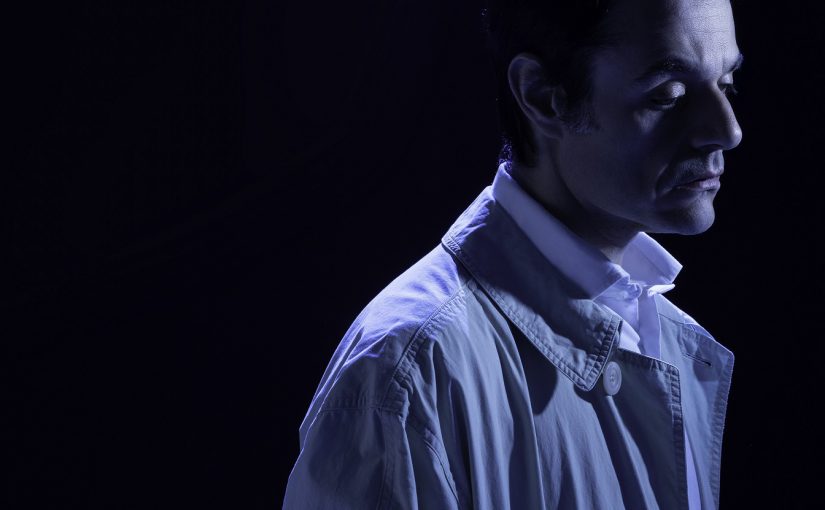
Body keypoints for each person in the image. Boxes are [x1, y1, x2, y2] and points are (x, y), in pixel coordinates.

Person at [284, 0, 742, 507]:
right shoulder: (408, 381)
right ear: (542, 96)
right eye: (668, 95)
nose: (727, 130)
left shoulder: (666, 339)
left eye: (726, 85)